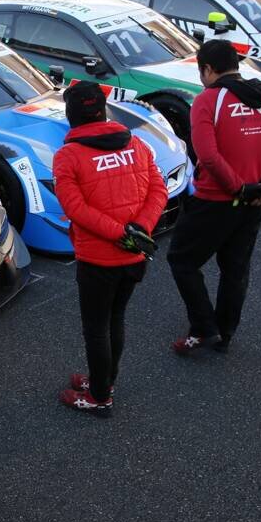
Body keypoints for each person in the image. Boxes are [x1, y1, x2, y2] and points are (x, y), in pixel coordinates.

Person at [167, 40, 261, 355]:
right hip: (255, 202)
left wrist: (238, 187)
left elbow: (207, 156)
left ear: (208, 69)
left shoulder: (208, 100)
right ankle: (225, 333)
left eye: (201, 71)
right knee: (235, 267)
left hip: (214, 200)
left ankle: (203, 328)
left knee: (182, 260)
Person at [52, 82, 167, 415]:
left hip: (98, 258)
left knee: (96, 328)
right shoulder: (138, 144)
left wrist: (120, 233)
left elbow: (75, 209)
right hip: (134, 255)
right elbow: (158, 190)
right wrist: (139, 231)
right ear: (103, 111)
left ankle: (100, 396)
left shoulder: (68, 156)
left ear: (71, 116)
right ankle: (105, 380)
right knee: (116, 319)